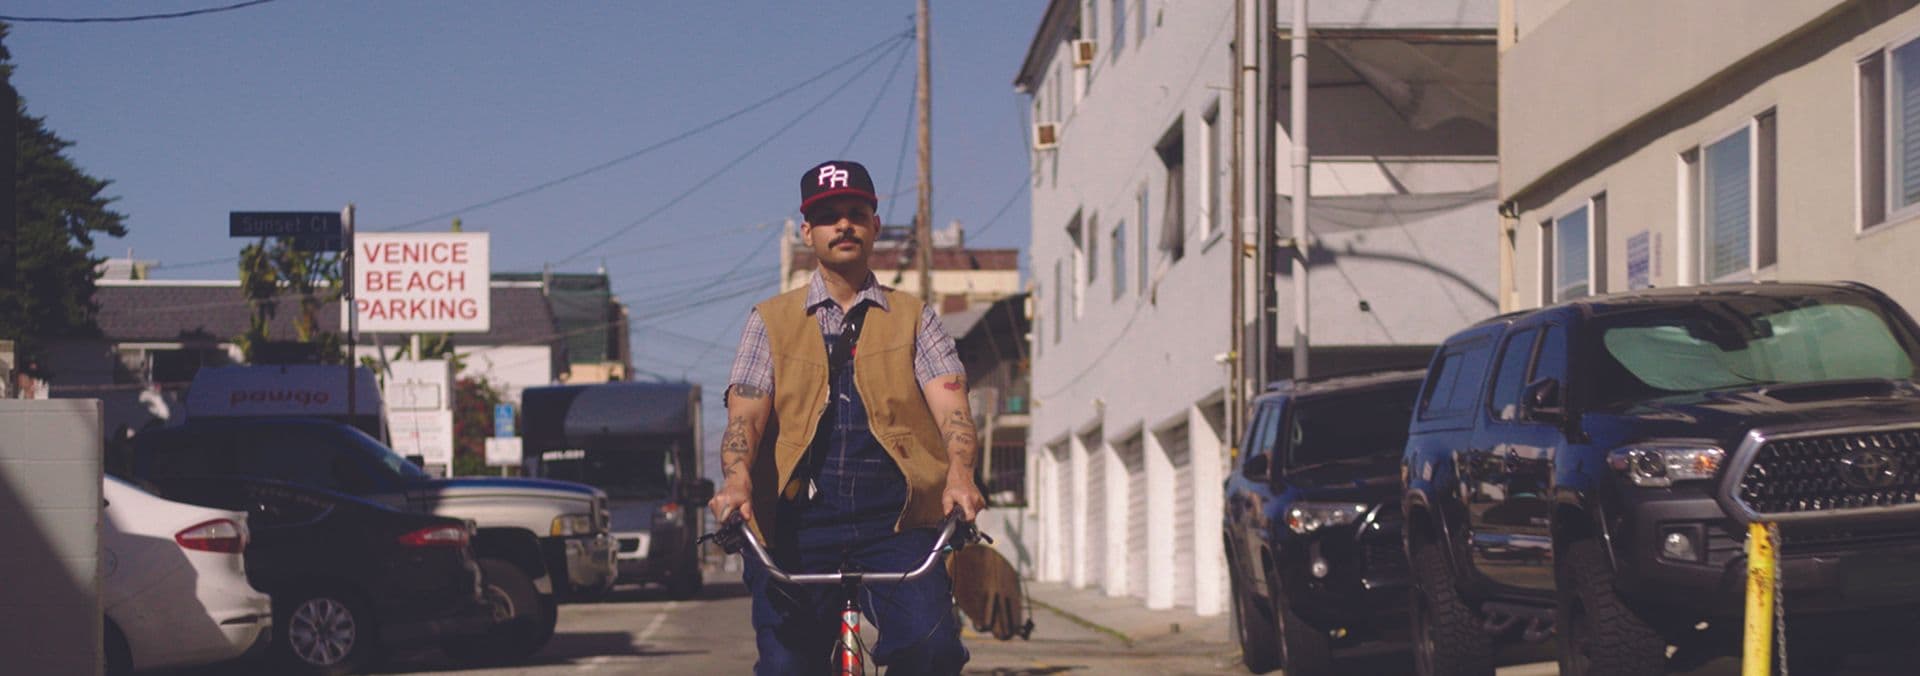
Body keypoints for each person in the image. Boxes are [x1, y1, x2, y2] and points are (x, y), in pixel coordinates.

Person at [710, 159, 985, 674]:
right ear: (807, 232)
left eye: (856, 214)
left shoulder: (914, 317)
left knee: (932, 651)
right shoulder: (769, 321)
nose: (843, 225)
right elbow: (745, 419)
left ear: (874, 226)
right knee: (787, 666)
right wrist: (737, 480)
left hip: (897, 522)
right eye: (828, 216)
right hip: (796, 524)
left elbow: (953, 408)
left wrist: (960, 475)